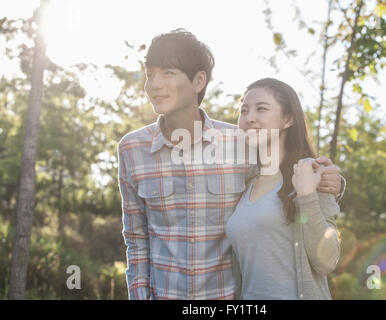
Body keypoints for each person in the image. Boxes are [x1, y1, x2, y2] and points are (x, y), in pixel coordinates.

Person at [117, 29, 344, 300]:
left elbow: (290, 170)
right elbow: (136, 238)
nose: (154, 84)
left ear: (199, 80)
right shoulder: (132, 149)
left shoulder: (241, 144)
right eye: (150, 74)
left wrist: (333, 180)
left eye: (168, 72)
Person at [226, 78, 341, 300]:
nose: (249, 118)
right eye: (244, 110)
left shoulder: (313, 175)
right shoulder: (245, 182)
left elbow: (327, 261)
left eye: (262, 109)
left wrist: (307, 195)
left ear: (288, 119)